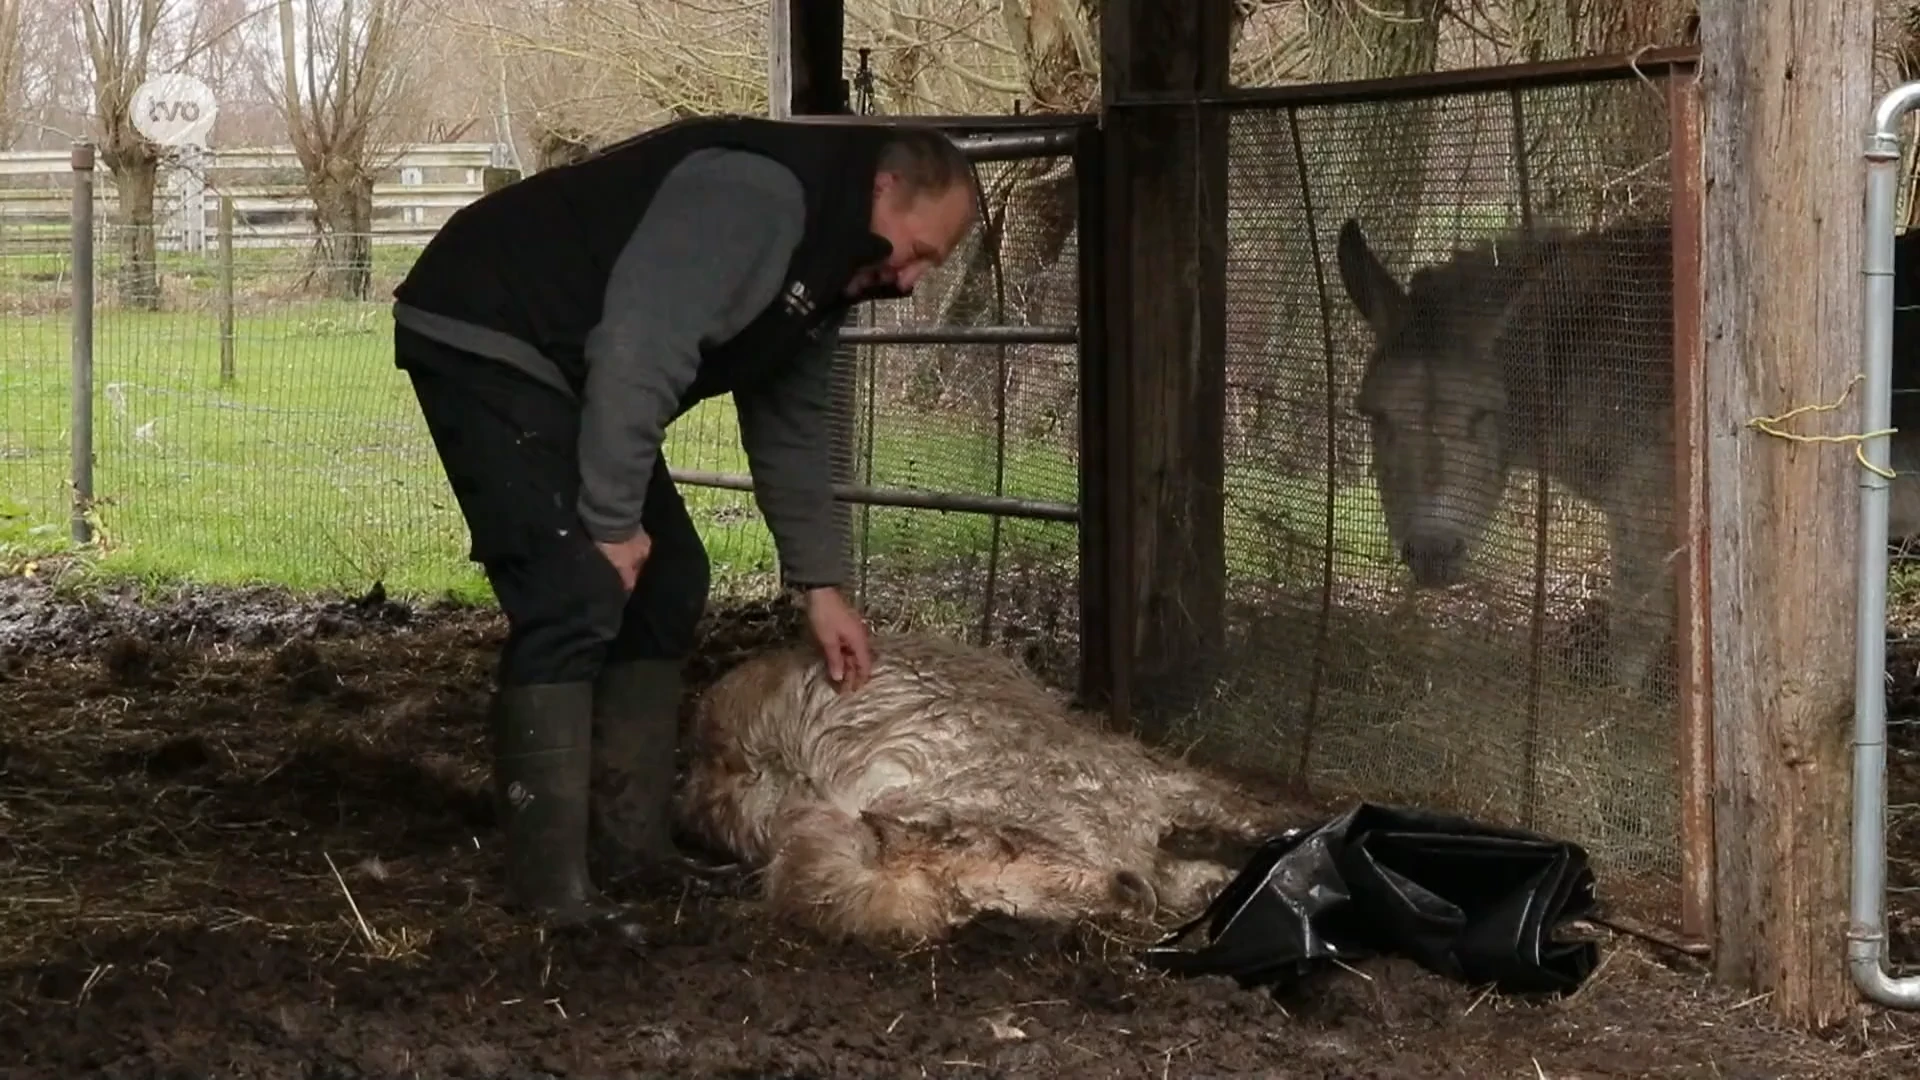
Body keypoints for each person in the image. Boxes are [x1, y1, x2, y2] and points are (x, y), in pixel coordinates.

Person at [387, 115, 981, 942]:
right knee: (574, 587)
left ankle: (633, 849)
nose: (911, 281)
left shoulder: (835, 265)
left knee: (669, 583)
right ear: (884, 188)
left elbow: (792, 427)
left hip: (567, 363)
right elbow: (638, 352)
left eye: (927, 267)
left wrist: (821, 586)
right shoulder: (759, 198)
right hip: (491, 324)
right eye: (917, 251)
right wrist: (610, 523)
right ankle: (551, 891)